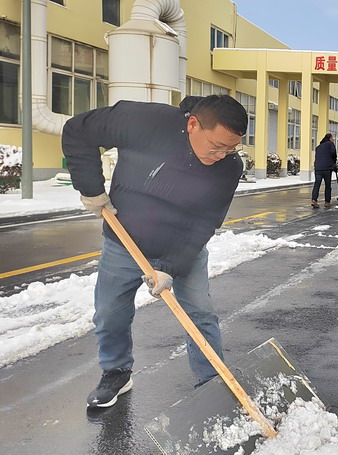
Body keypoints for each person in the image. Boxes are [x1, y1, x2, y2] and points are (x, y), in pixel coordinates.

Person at [62, 95, 248, 409]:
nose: (222, 155)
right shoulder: (144, 121)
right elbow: (78, 130)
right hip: (124, 241)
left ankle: (212, 381)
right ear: (193, 125)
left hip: (183, 246)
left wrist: (171, 267)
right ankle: (116, 373)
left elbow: (206, 222)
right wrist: (91, 189)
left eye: (231, 148)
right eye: (217, 146)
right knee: (109, 313)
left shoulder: (229, 167)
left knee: (200, 314)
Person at [311, 133, 337, 208]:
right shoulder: (330, 144)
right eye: (332, 138)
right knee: (328, 185)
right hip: (327, 168)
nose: (333, 139)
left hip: (318, 168)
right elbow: (333, 154)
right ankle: (327, 202)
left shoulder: (318, 147)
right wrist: (334, 165)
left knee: (317, 184)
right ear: (329, 138)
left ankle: (314, 200)